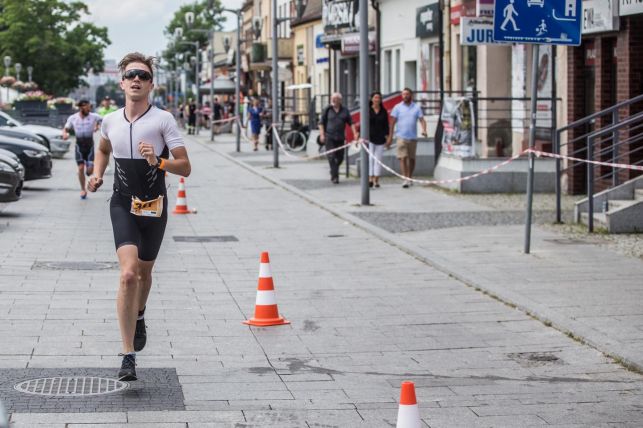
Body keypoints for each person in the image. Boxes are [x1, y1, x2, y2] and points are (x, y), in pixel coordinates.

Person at [87, 52, 191, 381]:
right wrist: (97, 173)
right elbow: (103, 149)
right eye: (131, 74)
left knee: (145, 275)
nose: (136, 79)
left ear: (151, 84)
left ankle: (140, 313)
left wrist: (158, 161)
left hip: (154, 207)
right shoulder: (110, 121)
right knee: (128, 274)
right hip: (122, 203)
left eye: (143, 75)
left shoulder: (163, 120)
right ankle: (127, 354)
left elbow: (185, 166)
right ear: (121, 83)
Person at [62, 99, 103, 199]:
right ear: (81, 107)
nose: (89, 109)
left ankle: (89, 170)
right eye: (87, 108)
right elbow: (66, 128)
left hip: (89, 145)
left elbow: (103, 121)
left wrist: (97, 126)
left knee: (89, 171)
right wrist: (64, 134)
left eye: (90, 107)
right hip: (79, 146)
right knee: (80, 168)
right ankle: (83, 189)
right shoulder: (73, 118)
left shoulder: (94, 116)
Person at [387, 88, 427, 188]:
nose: (405, 96)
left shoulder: (416, 107)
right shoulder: (397, 107)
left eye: (407, 94)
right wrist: (390, 136)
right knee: (403, 157)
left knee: (412, 159)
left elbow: (422, 120)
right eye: (403, 94)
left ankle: (410, 177)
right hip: (401, 136)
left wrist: (424, 130)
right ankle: (405, 179)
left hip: (412, 137)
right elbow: (392, 123)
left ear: (411, 95)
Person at [319, 92, 358, 184]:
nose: (333, 100)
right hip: (329, 137)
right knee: (331, 156)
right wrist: (322, 134)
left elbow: (351, 123)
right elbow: (321, 123)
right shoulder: (327, 109)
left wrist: (355, 134)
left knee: (340, 158)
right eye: (332, 98)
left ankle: (333, 170)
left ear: (340, 100)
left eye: (335, 98)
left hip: (340, 137)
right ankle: (335, 177)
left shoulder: (345, 111)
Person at [368, 91, 389, 188]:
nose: (377, 99)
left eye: (379, 98)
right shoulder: (368, 110)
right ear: (372, 99)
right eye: (375, 97)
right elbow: (362, 123)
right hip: (370, 138)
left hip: (380, 138)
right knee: (370, 159)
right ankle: (370, 178)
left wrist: (387, 137)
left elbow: (386, 125)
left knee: (378, 159)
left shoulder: (383, 111)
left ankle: (376, 180)